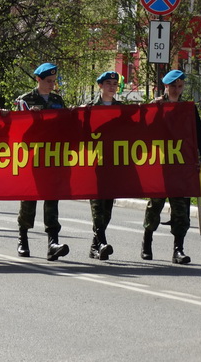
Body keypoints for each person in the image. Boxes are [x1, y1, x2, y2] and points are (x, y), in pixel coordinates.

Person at [142, 69, 201, 264]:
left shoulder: (188, 108)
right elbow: (142, 129)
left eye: (180, 86)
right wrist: (151, 110)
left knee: (181, 209)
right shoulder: (156, 106)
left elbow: (199, 133)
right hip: (160, 165)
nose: (177, 90)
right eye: (173, 86)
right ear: (166, 87)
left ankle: (178, 249)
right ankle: (147, 241)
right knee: (156, 205)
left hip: (181, 165)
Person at [14, 62, 70, 261]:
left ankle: (52, 242)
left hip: (52, 158)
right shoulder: (25, 100)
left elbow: (65, 126)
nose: (52, 85)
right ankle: (23, 238)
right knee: (29, 200)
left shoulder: (57, 100)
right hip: (32, 159)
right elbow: (18, 132)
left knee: (52, 199)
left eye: (54, 81)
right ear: (38, 79)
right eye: (48, 81)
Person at [82, 71, 123, 261]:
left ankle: (95, 245)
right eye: (108, 83)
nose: (112, 87)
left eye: (115, 83)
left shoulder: (123, 109)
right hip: (95, 164)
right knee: (97, 206)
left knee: (107, 209)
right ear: (100, 86)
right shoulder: (90, 109)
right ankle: (102, 241)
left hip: (114, 164)